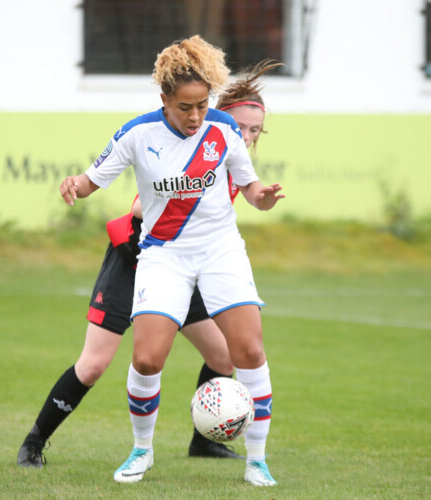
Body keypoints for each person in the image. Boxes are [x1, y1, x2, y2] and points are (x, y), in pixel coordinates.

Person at [16, 58, 283, 471]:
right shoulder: (177, 143)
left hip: (191, 267)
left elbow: (237, 202)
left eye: (255, 131)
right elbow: (143, 205)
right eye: (242, 127)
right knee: (95, 364)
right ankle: (34, 441)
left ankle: (204, 441)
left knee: (223, 356)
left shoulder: (230, 163)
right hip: (136, 258)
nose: (246, 137)